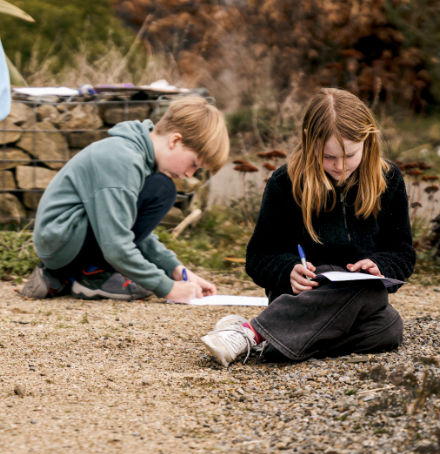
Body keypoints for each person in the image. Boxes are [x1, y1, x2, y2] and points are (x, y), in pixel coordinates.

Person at [201, 88, 415, 366]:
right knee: (368, 292)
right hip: (302, 295)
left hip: (360, 298)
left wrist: (380, 266)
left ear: (368, 141)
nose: (340, 167)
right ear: (309, 142)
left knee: (388, 328)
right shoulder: (285, 182)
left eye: (350, 155)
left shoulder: (388, 179)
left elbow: (402, 251)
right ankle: (256, 332)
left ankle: (268, 336)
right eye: (328, 157)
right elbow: (258, 256)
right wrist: (288, 270)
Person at [21, 96, 229, 302]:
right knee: (163, 189)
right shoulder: (123, 158)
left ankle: (61, 276)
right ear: (175, 140)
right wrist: (167, 288)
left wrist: (176, 269)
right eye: (194, 164)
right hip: (62, 243)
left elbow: (128, 228)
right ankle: (92, 274)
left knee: (160, 187)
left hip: (66, 242)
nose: (189, 174)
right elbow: (116, 243)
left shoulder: (139, 157)